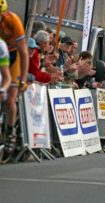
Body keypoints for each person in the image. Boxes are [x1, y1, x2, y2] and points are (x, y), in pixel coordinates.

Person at [0, 0, 29, 161]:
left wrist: (23, 80)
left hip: (13, 56)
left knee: (11, 98)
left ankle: (10, 131)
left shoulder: (13, 21)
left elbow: (24, 53)